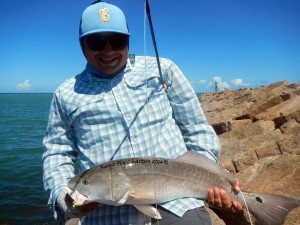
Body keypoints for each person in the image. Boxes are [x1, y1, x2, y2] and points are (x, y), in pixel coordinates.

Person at [42, 1, 243, 225]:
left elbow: (196, 129)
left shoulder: (163, 68)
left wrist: (207, 178)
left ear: (128, 41)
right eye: (97, 42)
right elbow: (57, 155)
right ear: (83, 45)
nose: (108, 51)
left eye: (117, 41)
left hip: (179, 204)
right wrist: (64, 198)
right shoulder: (65, 93)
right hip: (105, 213)